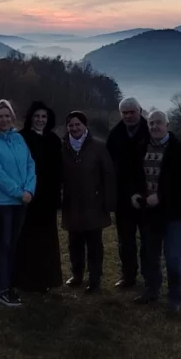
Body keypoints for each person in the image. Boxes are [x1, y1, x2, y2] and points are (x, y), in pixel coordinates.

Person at [133, 110, 181, 314]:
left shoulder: (180, 151)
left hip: (174, 214)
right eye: (151, 123)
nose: (154, 126)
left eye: (158, 123)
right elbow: (136, 176)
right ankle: (152, 290)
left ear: (167, 125)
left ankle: (175, 299)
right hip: (149, 213)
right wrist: (135, 193)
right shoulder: (142, 147)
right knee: (150, 255)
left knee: (172, 258)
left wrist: (161, 197)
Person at [0, 99, 36, 307]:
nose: (3, 119)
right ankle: (2, 289)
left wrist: (29, 189)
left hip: (21, 201)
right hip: (2, 203)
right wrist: (18, 192)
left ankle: (11, 283)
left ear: (12, 117)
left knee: (13, 244)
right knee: (3, 245)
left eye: (7, 116)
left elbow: (30, 164)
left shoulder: (19, 139)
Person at [60, 110, 116, 293]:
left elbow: (108, 175)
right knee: (74, 243)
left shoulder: (99, 147)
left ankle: (95, 279)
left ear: (85, 126)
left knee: (94, 245)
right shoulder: (62, 147)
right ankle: (77, 275)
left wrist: (108, 203)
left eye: (78, 124)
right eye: (71, 125)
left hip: (94, 203)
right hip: (71, 204)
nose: (74, 128)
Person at [12, 100, 63, 293]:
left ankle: (45, 281)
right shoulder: (21, 138)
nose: (40, 120)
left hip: (48, 199)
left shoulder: (54, 140)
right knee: (25, 239)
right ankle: (24, 280)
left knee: (46, 241)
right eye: (37, 116)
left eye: (44, 117)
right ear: (30, 118)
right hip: (27, 197)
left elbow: (58, 171)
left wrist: (58, 195)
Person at [105, 96, 151, 289]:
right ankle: (128, 276)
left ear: (139, 111)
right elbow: (111, 168)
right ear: (120, 114)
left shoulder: (151, 131)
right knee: (126, 240)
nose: (129, 116)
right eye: (125, 113)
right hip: (124, 197)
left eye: (132, 112)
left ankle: (150, 278)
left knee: (149, 240)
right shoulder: (115, 135)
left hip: (149, 195)